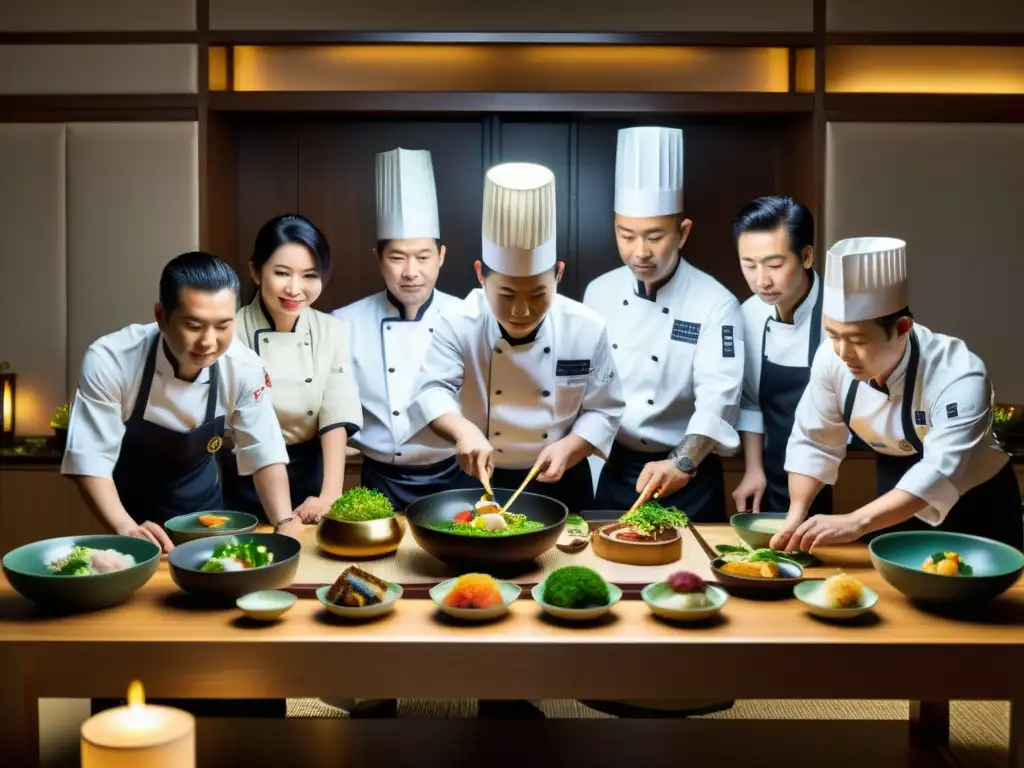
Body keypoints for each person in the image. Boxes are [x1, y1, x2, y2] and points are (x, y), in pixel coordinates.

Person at [772, 237, 1023, 552]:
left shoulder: (959, 374)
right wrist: (796, 515)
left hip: (977, 503)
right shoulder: (830, 358)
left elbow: (942, 469)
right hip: (894, 495)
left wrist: (856, 521)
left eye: (857, 340)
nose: (843, 352)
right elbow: (813, 441)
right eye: (833, 334)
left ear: (903, 328)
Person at [406, 161, 625, 514]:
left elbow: (604, 408)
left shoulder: (586, 327)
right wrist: (463, 432)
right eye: (506, 295)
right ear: (481, 275)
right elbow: (431, 391)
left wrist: (572, 446)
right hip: (480, 476)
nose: (521, 310)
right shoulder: (458, 322)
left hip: (563, 481)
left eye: (538, 294)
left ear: (558, 274)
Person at [61, 251, 302, 552]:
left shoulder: (244, 367)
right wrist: (125, 527)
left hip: (208, 517)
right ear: (161, 316)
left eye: (223, 326)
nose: (209, 342)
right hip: (128, 516)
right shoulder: (112, 360)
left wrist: (284, 521)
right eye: (194, 325)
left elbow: (264, 451)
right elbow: (89, 458)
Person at [583, 126, 744, 521]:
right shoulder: (598, 293)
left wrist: (682, 463)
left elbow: (718, 400)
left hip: (688, 472)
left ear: (683, 232)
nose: (640, 252)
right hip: (616, 469)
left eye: (655, 236)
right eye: (627, 235)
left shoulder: (715, 303)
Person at [332, 147, 472, 510]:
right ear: (378, 259)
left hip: (456, 475)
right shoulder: (343, 323)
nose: (411, 271)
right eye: (397, 257)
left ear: (441, 257)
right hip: (379, 478)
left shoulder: (469, 317)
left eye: (423, 257)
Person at [222, 214, 363, 524]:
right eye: (282, 273)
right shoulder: (229, 331)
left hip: (308, 477)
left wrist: (330, 495)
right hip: (241, 476)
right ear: (255, 272)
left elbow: (335, 412)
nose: (295, 288)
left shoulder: (332, 330)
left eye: (310, 275)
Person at [730, 196, 833, 517]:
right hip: (776, 473)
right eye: (749, 265)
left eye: (774, 265)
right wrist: (753, 469)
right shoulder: (747, 315)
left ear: (806, 256)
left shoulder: (842, 314)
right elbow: (750, 403)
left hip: (842, 475)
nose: (761, 280)